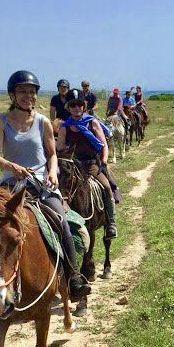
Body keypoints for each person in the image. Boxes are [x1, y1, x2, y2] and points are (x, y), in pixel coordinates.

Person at [0, 70, 90, 300]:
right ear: (12, 95)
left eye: (32, 92)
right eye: (23, 91)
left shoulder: (43, 122)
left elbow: (52, 154)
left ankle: (73, 277)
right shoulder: (1, 121)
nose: (29, 96)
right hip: (9, 184)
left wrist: (53, 172)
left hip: (41, 183)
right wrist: (12, 167)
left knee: (61, 220)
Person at [57, 89, 118, 238]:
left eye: (79, 105)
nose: (76, 108)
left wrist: (103, 162)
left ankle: (110, 223)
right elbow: (59, 149)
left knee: (106, 187)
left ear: (83, 106)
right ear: (68, 107)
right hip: (72, 166)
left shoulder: (92, 122)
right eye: (73, 105)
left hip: (91, 165)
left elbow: (103, 144)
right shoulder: (64, 127)